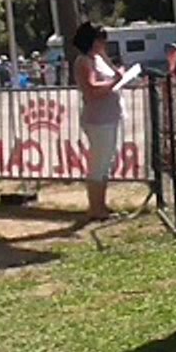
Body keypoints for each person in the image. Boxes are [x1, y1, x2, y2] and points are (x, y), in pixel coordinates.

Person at [71, 22, 124, 221]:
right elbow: (91, 89)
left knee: (105, 163)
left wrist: (110, 65)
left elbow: (112, 74)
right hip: (98, 120)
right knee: (98, 164)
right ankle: (95, 207)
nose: (104, 43)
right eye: (100, 39)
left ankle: (100, 204)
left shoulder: (97, 59)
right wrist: (114, 82)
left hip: (108, 117)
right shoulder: (84, 61)